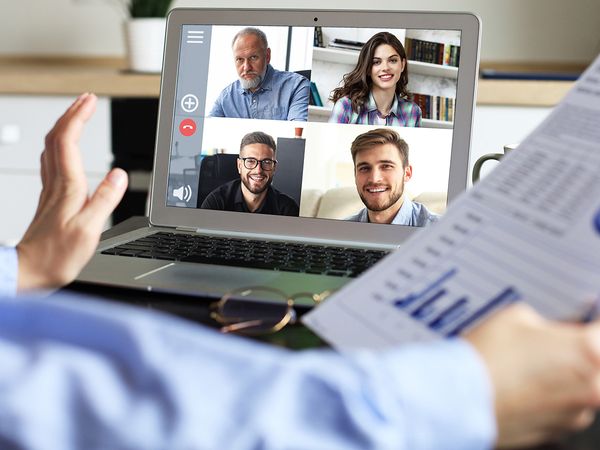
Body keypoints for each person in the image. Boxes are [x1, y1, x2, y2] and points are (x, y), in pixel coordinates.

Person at [2, 94, 600, 449]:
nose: (374, 181)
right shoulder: (215, 204)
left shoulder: (406, 224)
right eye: (364, 169)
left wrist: (20, 266)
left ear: (408, 175)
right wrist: (466, 395)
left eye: (386, 168)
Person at [209, 27, 310, 121]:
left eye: (253, 57)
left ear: (267, 56)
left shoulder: (297, 86)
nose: (246, 67)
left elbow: (298, 133)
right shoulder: (226, 97)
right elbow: (206, 131)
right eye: (239, 59)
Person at [346, 128, 438, 226]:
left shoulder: (439, 230)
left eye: (386, 166)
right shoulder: (340, 230)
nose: (374, 179)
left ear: (407, 173)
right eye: (364, 168)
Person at [329, 32, 422, 127]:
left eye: (392, 60)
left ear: (402, 65)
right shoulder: (346, 106)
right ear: (368, 68)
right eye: (376, 62)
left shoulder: (413, 111)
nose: (385, 68)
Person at [200, 131, 299, 216]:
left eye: (266, 162)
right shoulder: (216, 202)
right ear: (239, 166)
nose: (258, 170)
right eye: (251, 161)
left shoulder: (287, 209)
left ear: (274, 168)